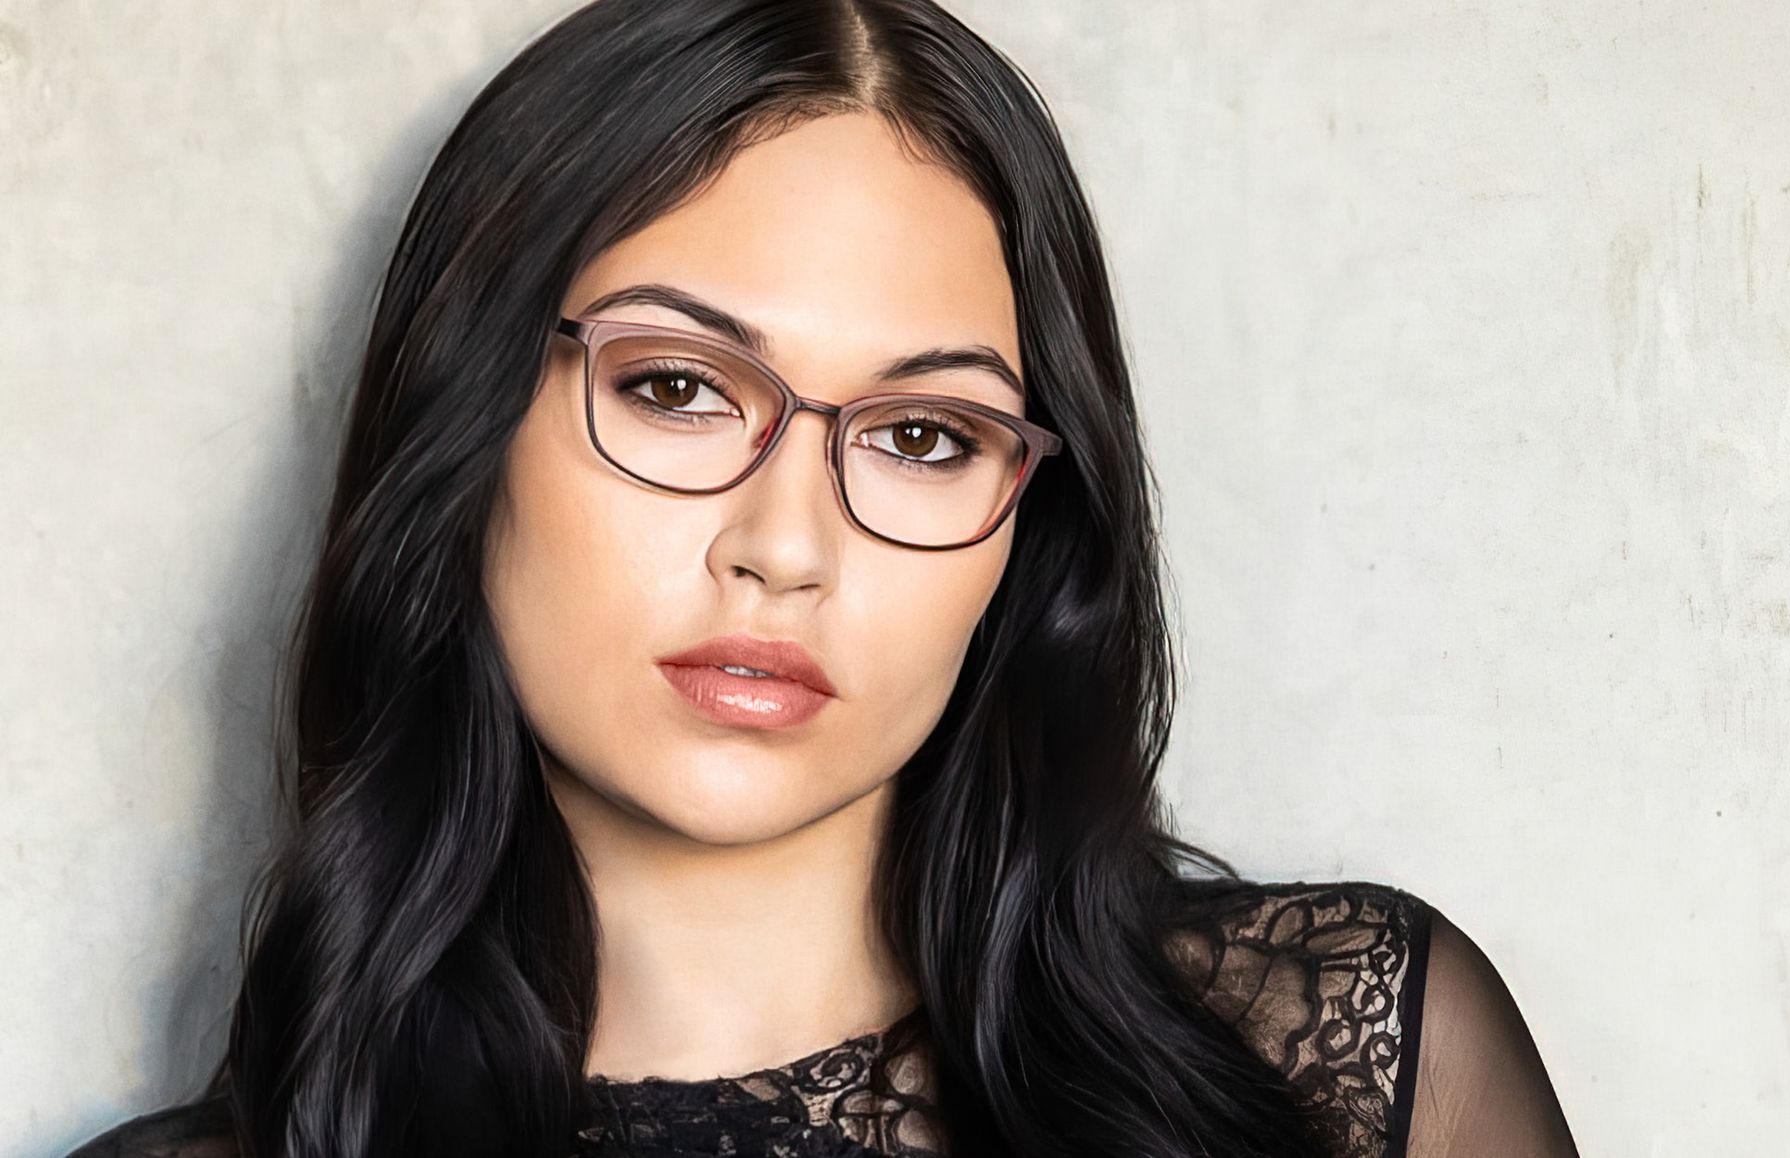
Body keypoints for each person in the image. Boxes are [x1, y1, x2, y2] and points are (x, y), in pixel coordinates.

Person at [65, 1, 1579, 1156]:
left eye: (924, 433)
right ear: (466, 427)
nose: (785, 543)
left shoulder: (1350, 1060)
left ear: (1023, 529)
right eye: (677, 389)